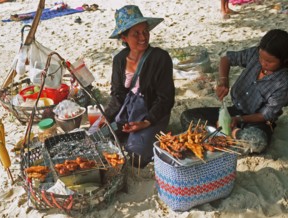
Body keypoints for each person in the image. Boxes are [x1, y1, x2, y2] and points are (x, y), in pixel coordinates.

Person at [180, 29, 288, 153]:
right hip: (233, 111)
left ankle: (229, 133)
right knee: (188, 117)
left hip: (257, 121)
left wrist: (238, 120)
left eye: (269, 62)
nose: (263, 63)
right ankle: (222, 134)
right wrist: (223, 81)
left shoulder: (283, 82)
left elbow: (266, 115)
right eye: (261, 57)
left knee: (256, 142)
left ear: (284, 60)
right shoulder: (254, 55)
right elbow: (226, 59)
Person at [101, 5, 175, 168]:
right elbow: (118, 95)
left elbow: (166, 98)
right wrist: (104, 119)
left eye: (145, 31)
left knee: (136, 156)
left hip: (152, 114)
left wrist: (147, 122)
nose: (143, 37)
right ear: (124, 37)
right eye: (136, 33)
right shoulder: (119, 60)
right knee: (99, 138)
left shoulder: (160, 58)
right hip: (128, 113)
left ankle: (141, 136)